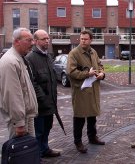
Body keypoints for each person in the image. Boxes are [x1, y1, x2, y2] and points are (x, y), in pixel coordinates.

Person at [67, 30, 106, 153]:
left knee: (92, 116)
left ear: (91, 40)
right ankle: (78, 141)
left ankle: (92, 137)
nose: (83, 41)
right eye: (81, 39)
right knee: (79, 117)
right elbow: (71, 72)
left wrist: (101, 74)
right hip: (81, 91)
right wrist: (86, 74)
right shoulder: (74, 53)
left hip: (93, 89)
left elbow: (100, 65)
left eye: (85, 39)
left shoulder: (93, 52)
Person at [25, 30, 61, 158]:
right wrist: (43, 99)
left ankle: (45, 149)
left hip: (50, 103)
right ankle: (37, 154)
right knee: (38, 131)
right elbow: (32, 83)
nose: (47, 40)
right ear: (35, 41)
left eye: (48, 38)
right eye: (43, 38)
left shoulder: (48, 56)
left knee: (47, 128)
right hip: (40, 105)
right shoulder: (30, 59)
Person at [0, 28, 38, 139]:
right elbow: (12, 95)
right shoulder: (10, 62)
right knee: (20, 153)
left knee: (29, 151)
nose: (32, 43)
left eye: (32, 40)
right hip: (20, 120)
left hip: (26, 116)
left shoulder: (19, 59)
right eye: (28, 40)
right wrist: (19, 122)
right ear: (17, 41)